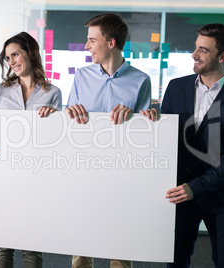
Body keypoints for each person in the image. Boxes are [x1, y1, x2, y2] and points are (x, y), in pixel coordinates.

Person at [142, 23, 224, 267]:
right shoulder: (176, 86)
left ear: (222, 56)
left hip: (222, 198)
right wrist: (152, 123)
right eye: (195, 48)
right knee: (175, 262)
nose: (194, 55)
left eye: (203, 50)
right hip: (179, 196)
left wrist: (195, 187)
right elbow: (168, 140)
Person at [66, 13, 158, 268]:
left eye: (91, 40)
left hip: (121, 172)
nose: (87, 46)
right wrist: (68, 113)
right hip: (85, 169)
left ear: (111, 43)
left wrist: (140, 117)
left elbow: (144, 133)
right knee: (82, 248)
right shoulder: (81, 77)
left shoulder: (140, 80)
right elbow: (71, 122)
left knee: (120, 246)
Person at [0, 32, 62, 268]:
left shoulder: (53, 93)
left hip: (37, 176)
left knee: (32, 245)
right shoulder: (1, 91)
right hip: (5, 173)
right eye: (8, 58)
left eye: (16, 55)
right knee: (3, 244)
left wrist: (54, 119)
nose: (12, 63)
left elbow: (58, 140)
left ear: (31, 53)